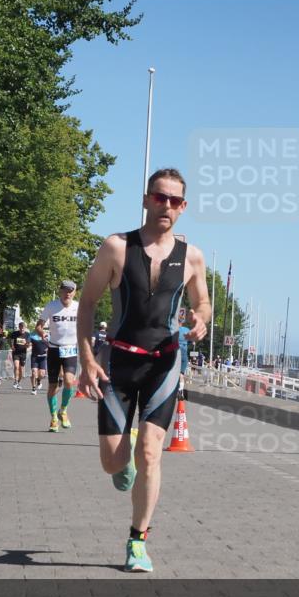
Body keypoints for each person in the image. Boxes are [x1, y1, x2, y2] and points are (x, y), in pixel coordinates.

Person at [77, 168, 210, 573]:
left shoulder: (192, 257)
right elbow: (86, 305)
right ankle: (125, 463)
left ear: (183, 207)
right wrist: (86, 359)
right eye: (159, 197)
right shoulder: (116, 247)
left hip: (164, 365)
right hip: (118, 364)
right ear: (146, 199)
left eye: (174, 201)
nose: (165, 206)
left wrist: (201, 320)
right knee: (113, 465)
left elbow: (203, 303)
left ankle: (138, 541)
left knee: (152, 451)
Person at [39, 280, 80, 431]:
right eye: (65, 290)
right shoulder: (51, 306)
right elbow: (39, 325)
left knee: (69, 381)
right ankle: (53, 418)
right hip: (54, 349)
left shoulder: (78, 307)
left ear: (75, 292)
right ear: (60, 291)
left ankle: (63, 410)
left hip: (70, 349)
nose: (67, 293)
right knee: (53, 386)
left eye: (70, 291)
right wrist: (42, 333)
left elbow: (85, 325)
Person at [29, 319, 50, 394]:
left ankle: (39, 380)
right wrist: (26, 344)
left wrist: (48, 348)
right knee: (34, 372)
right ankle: (33, 389)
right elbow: (27, 344)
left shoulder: (47, 335)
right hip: (34, 357)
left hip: (43, 358)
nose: (40, 327)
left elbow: (50, 345)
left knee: (42, 374)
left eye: (42, 326)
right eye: (39, 326)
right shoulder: (31, 335)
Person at [8, 321, 30, 389]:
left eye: (23, 328)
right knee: (16, 366)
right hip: (16, 353)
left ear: (25, 328)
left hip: (23, 353)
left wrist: (27, 345)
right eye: (21, 328)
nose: (22, 330)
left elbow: (28, 344)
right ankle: (15, 380)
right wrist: (11, 346)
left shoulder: (27, 334)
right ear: (19, 327)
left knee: (21, 372)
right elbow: (10, 340)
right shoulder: (15, 333)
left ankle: (18, 382)